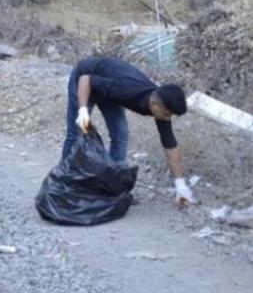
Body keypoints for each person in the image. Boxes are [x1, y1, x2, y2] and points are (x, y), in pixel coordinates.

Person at [62, 55, 194, 205]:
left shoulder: (160, 106)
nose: (167, 118)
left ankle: (113, 189)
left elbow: (170, 145)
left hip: (107, 87)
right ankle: (65, 185)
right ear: (154, 103)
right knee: (76, 134)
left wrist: (180, 185)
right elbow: (86, 80)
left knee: (120, 136)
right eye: (166, 114)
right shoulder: (128, 90)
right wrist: (83, 110)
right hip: (84, 80)